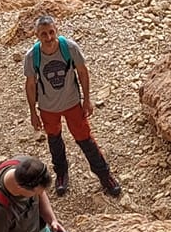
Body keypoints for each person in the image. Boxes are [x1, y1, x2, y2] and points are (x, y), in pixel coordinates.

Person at [23, 15, 121, 197]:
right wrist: (33, 112)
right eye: (44, 34)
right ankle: (61, 174)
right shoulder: (32, 56)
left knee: (86, 140)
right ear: (36, 35)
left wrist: (87, 99)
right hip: (47, 107)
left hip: (72, 103)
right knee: (54, 142)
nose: (49, 37)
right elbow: (30, 84)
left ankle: (105, 175)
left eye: (51, 32)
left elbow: (83, 72)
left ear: (56, 29)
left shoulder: (69, 48)